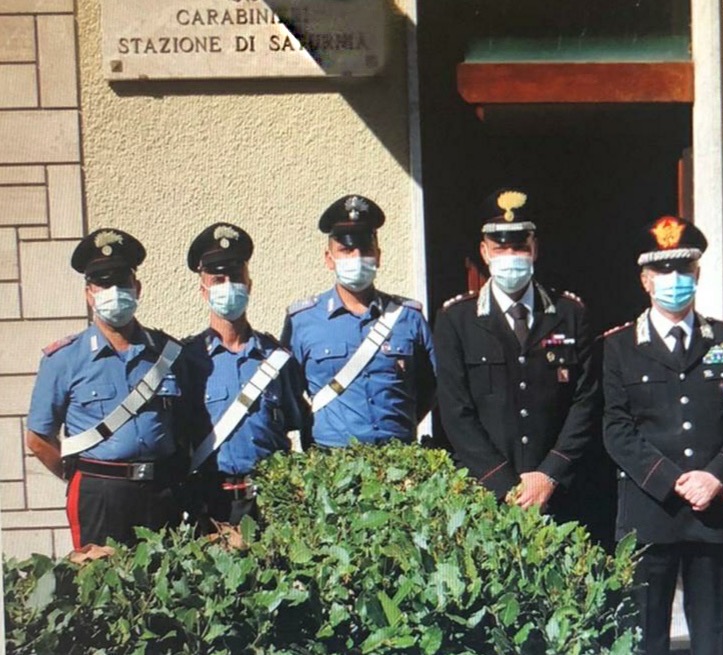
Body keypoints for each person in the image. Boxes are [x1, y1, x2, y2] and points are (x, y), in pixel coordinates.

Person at [602, 215, 723, 655]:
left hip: (713, 507)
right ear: (645, 280)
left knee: (711, 634)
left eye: (683, 270)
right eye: (663, 271)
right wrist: (670, 479)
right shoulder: (617, 347)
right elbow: (615, 427)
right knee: (647, 634)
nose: (674, 280)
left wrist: (717, 476)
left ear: (698, 274)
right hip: (650, 508)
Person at [434, 188, 610, 540]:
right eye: (501, 247)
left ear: (534, 249)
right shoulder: (457, 319)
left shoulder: (569, 313)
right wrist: (503, 483)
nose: (510, 256)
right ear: (484, 252)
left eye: (519, 246)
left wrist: (549, 474)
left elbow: (585, 400)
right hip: (487, 494)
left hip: (560, 493)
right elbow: (455, 411)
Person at [25, 229, 186, 548]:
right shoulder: (64, 359)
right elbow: (38, 439)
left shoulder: (167, 354)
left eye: (121, 282)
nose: (114, 291)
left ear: (136, 288)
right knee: (100, 588)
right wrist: (80, 479)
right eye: (103, 283)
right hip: (99, 492)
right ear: (89, 293)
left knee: (166, 585)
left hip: (160, 490)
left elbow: (183, 426)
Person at [180, 222, 311, 527]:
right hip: (212, 505)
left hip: (271, 503)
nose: (228, 286)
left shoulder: (278, 359)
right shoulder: (187, 361)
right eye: (218, 279)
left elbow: (297, 423)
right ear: (203, 290)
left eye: (236, 278)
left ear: (249, 285)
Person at [281, 195, 435, 447]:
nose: (356, 257)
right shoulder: (303, 321)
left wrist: (398, 425)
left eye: (365, 249)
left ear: (378, 256)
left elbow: (429, 387)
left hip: (400, 463)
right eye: (346, 249)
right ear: (329, 259)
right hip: (331, 466)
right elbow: (288, 392)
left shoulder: (408, 317)